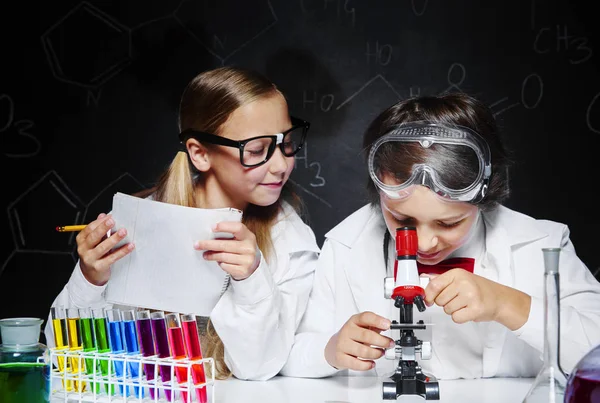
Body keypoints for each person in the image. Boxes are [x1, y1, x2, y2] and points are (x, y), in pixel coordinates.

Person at [281, 92, 600, 380]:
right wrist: (330, 350)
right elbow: (286, 355)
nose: (423, 243)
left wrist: (508, 305)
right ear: (380, 195)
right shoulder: (346, 246)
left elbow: (595, 351)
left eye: (448, 224)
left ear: (483, 200)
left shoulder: (542, 245)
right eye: (402, 219)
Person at [44, 66, 320, 381]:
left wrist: (251, 278)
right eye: (257, 150)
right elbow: (65, 355)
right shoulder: (139, 224)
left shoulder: (291, 240)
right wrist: (90, 279)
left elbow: (259, 368)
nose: (282, 164)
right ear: (200, 154)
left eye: (287, 142)